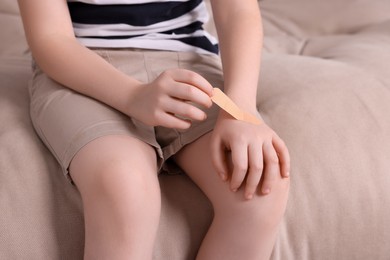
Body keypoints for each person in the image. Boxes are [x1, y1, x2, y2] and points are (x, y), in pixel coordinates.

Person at [17, 0, 290, 259]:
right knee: (124, 185)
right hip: (83, 69)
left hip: (187, 59)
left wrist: (239, 108)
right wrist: (134, 96)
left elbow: (237, 10)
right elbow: (50, 38)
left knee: (259, 184)